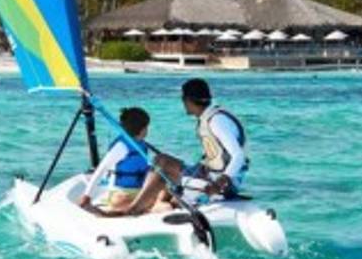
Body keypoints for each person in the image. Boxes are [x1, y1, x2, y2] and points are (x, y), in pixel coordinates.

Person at [123, 78, 248, 215]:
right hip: (209, 175)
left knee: (162, 167)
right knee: (161, 159)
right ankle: (155, 204)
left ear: (188, 100)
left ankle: (134, 209)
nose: (183, 103)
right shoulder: (210, 116)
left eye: (183, 99)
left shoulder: (216, 121)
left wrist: (221, 183)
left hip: (220, 186)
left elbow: (238, 155)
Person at [77, 107, 152, 214]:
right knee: (162, 206)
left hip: (139, 192)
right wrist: (87, 196)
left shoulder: (141, 145)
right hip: (122, 193)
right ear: (142, 129)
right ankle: (111, 213)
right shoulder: (121, 147)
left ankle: (137, 208)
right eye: (147, 126)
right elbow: (101, 170)